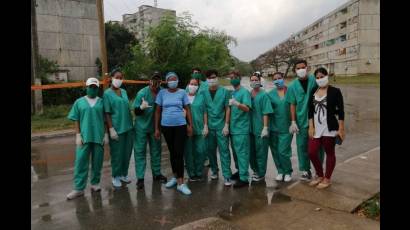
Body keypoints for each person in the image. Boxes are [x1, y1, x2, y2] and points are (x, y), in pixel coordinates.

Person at [66, 78, 108, 200]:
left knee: (97, 162)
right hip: (84, 137)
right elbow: (76, 119)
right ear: (86, 87)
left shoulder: (101, 102)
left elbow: (105, 120)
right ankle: (78, 189)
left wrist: (105, 134)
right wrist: (78, 135)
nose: (93, 89)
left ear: (98, 89)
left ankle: (95, 184)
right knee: (80, 163)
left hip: (98, 137)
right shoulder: (79, 102)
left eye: (95, 87)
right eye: (91, 87)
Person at [154, 72, 193, 195]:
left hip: (180, 126)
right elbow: (157, 112)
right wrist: (157, 128)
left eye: (174, 79)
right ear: (166, 81)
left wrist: (190, 125)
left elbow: (187, 109)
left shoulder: (182, 92)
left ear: (178, 80)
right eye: (170, 79)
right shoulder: (162, 93)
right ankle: (176, 178)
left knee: (179, 153)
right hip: (166, 127)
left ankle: (181, 183)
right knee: (172, 153)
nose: (172, 81)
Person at [286, 60, 324, 181]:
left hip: (317, 119)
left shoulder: (315, 79)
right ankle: (306, 170)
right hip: (301, 120)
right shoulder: (292, 86)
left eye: (303, 67)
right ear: (295, 71)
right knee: (302, 146)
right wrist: (293, 121)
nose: (301, 70)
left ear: (307, 68)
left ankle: (319, 170)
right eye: (298, 68)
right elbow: (292, 104)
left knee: (318, 146)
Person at [308, 67, 345, 189]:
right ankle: (319, 175)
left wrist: (341, 128)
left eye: (321, 77)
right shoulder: (314, 90)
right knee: (312, 152)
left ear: (327, 76)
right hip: (316, 128)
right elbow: (310, 111)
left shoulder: (335, 91)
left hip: (329, 128)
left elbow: (341, 112)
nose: (319, 79)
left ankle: (327, 178)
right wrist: (311, 126)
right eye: (317, 78)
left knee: (330, 153)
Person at [132, 72, 167, 190]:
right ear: (150, 81)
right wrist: (141, 107)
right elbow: (135, 111)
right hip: (141, 127)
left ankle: (157, 174)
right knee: (140, 151)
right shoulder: (142, 93)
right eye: (153, 80)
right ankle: (140, 178)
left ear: (160, 82)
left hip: (155, 127)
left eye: (158, 80)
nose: (155, 83)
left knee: (156, 150)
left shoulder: (162, 92)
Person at [103, 69, 134, 188]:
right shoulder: (107, 94)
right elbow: (107, 112)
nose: (119, 80)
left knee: (127, 153)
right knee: (117, 154)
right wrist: (110, 129)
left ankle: (123, 174)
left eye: (121, 78)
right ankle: (115, 176)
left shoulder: (124, 92)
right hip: (117, 128)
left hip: (128, 127)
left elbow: (128, 108)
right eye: (117, 77)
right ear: (111, 78)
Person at [203, 69, 233, 186]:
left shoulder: (225, 92)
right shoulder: (204, 93)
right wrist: (205, 125)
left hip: (221, 126)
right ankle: (215, 171)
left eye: (214, 77)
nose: (212, 79)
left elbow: (227, 108)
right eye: (210, 78)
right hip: (209, 127)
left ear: (217, 78)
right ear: (206, 80)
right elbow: (205, 111)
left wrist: (226, 124)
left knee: (224, 151)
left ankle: (227, 176)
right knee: (210, 151)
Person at [228, 70, 252, 188]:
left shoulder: (244, 92)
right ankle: (239, 171)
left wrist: (237, 104)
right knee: (236, 153)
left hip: (241, 129)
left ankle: (244, 178)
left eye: (234, 77)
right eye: (231, 78)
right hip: (233, 128)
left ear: (239, 78)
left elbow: (247, 108)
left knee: (242, 153)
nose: (232, 79)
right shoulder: (233, 92)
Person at [267, 72, 293, 182]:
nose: (277, 80)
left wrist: (294, 122)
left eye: (279, 78)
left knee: (283, 151)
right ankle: (280, 171)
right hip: (273, 127)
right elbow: (266, 111)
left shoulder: (290, 91)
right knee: (275, 151)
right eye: (275, 79)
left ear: (283, 78)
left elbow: (294, 106)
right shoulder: (270, 94)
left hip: (286, 127)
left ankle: (287, 171)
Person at [249, 73, 273, 182]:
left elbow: (266, 112)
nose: (254, 82)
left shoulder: (264, 95)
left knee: (261, 152)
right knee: (252, 151)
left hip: (260, 128)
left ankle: (261, 173)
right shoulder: (249, 94)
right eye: (252, 80)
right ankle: (255, 170)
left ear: (259, 81)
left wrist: (265, 127)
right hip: (250, 128)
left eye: (256, 80)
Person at [184, 78, 208, 181]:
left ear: (198, 87)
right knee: (189, 153)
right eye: (191, 84)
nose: (193, 86)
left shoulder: (201, 97)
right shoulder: (183, 97)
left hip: (200, 128)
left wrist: (206, 125)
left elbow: (205, 112)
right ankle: (191, 174)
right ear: (188, 85)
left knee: (200, 151)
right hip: (187, 129)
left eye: (195, 84)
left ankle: (199, 172)